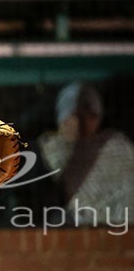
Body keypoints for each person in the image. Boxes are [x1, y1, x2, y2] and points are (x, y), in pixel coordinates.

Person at [38, 82, 134, 225]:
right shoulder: (49, 149)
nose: (78, 122)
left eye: (89, 113)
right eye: (74, 114)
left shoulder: (117, 146)